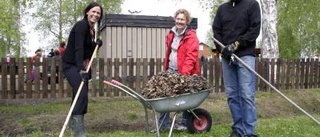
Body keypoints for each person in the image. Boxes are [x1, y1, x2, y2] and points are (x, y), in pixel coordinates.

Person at [212, 0, 261, 137]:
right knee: (232, 95)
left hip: (245, 56)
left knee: (246, 95)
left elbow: (254, 30)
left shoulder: (252, 5)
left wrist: (236, 44)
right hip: (227, 57)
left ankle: (249, 132)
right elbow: (216, 31)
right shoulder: (222, 9)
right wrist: (222, 48)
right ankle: (238, 129)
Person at [61, 2, 103, 137]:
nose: (96, 15)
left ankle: (74, 127)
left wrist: (96, 45)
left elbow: (87, 51)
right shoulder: (81, 25)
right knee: (82, 93)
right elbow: (78, 48)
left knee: (78, 94)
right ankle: (78, 132)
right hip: (71, 65)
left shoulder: (92, 30)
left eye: (98, 13)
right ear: (87, 12)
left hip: (79, 65)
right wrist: (81, 70)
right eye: (94, 11)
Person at [159, 8, 200, 131]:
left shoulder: (191, 37)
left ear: (187, 21)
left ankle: (185, 123)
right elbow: (169, 52)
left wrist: (183, 75)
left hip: (185, 72)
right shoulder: (171, 33)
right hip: (170, 70)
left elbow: (190, 57)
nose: (180, 21)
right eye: (178, 19)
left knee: (186, 99)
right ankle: (163, 125)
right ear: (175, 19)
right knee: (165, 96)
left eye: (182, 19)